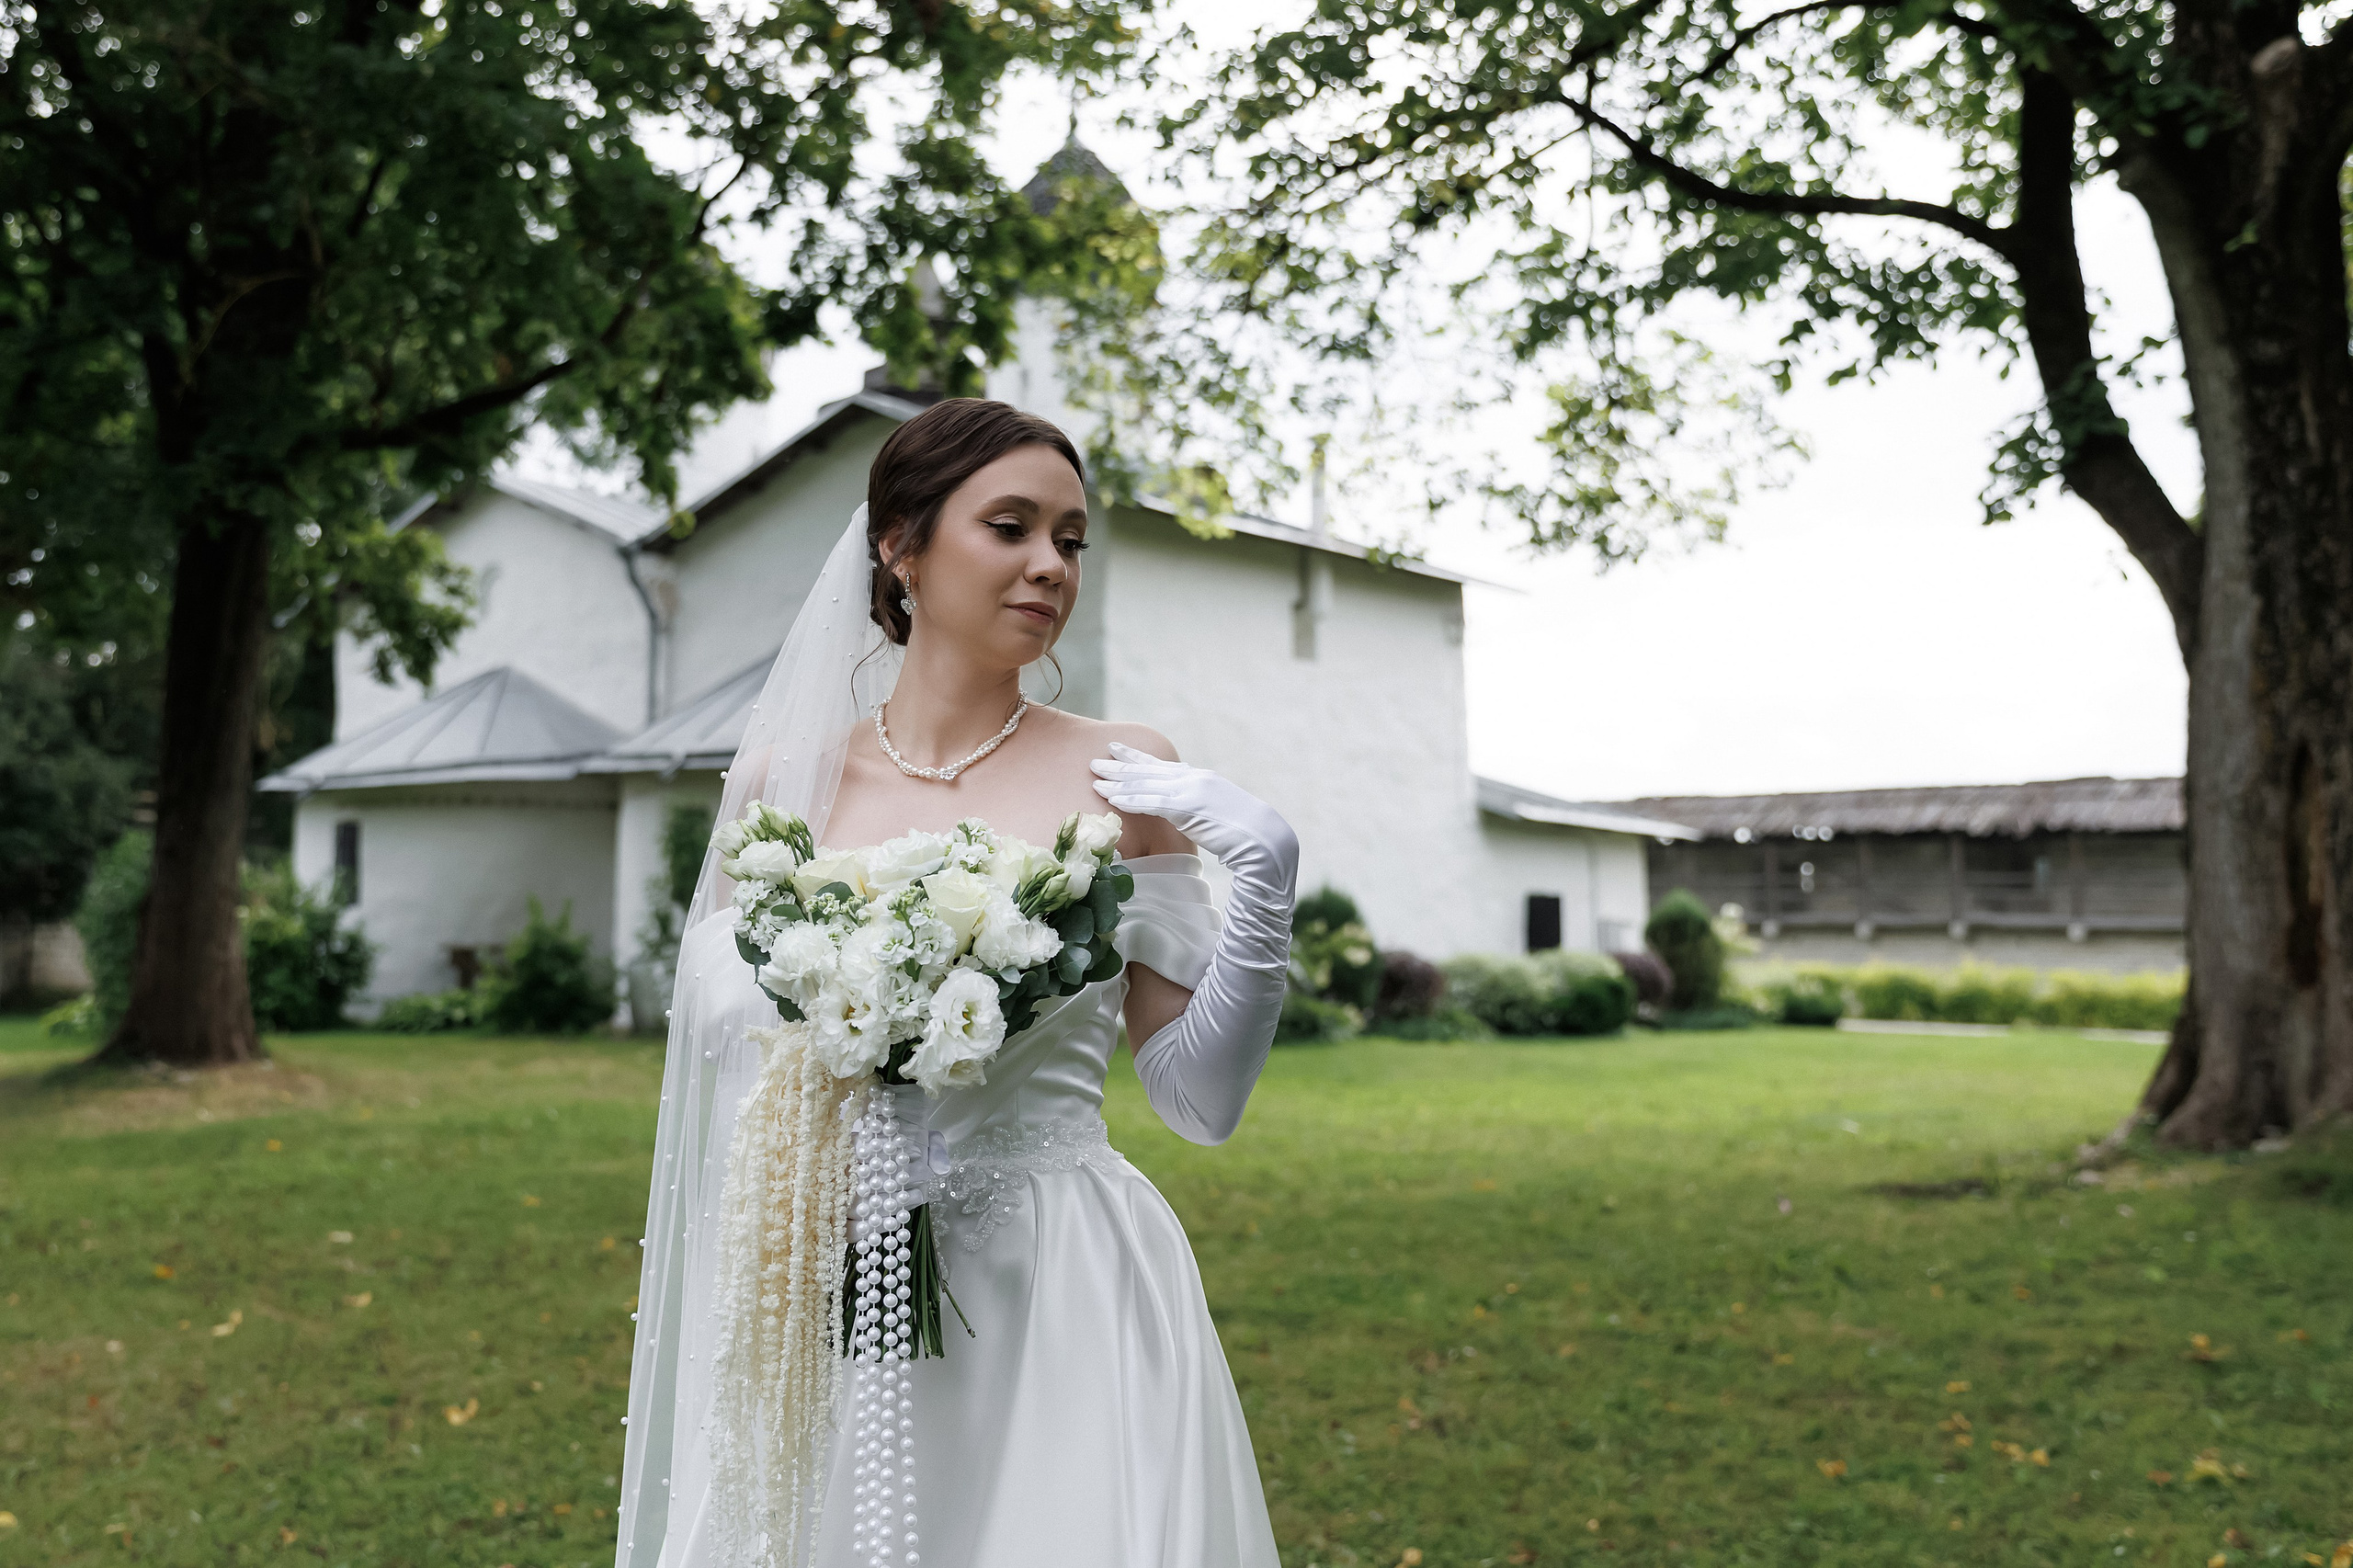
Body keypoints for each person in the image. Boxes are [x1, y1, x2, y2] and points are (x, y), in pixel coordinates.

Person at [617, 398, 1300, 1568]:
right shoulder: (784, 788)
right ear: (901, 546)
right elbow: (728, 1058)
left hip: (1059, 1290)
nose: (1050, 565)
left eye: (1072, 539)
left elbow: (1198, 1100)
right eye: (1012, 526)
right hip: (827, 1277)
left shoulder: (1125, 775)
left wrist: (1266, 896)